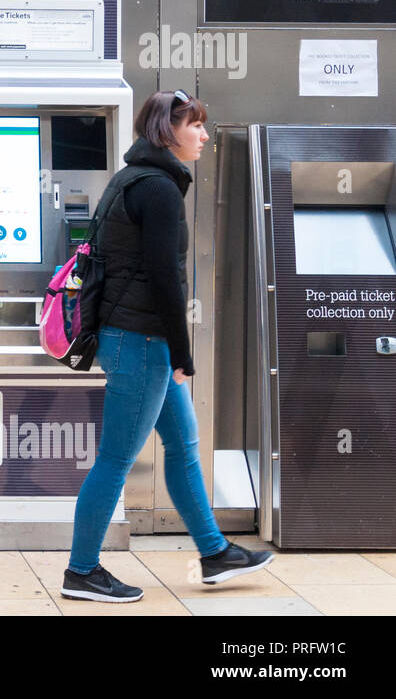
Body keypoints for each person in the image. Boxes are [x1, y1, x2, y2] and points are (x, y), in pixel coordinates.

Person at [62, 89, 273, 603]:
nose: (203, 135)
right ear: (167, 130)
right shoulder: (156, 188)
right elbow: (163, 278)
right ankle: (82, 572)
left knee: (182, 443)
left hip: (131, 336)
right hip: (140, 341)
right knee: (115, 458)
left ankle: (215, 551)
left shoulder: (130, 178)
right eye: (195, 125)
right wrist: (181, 351)